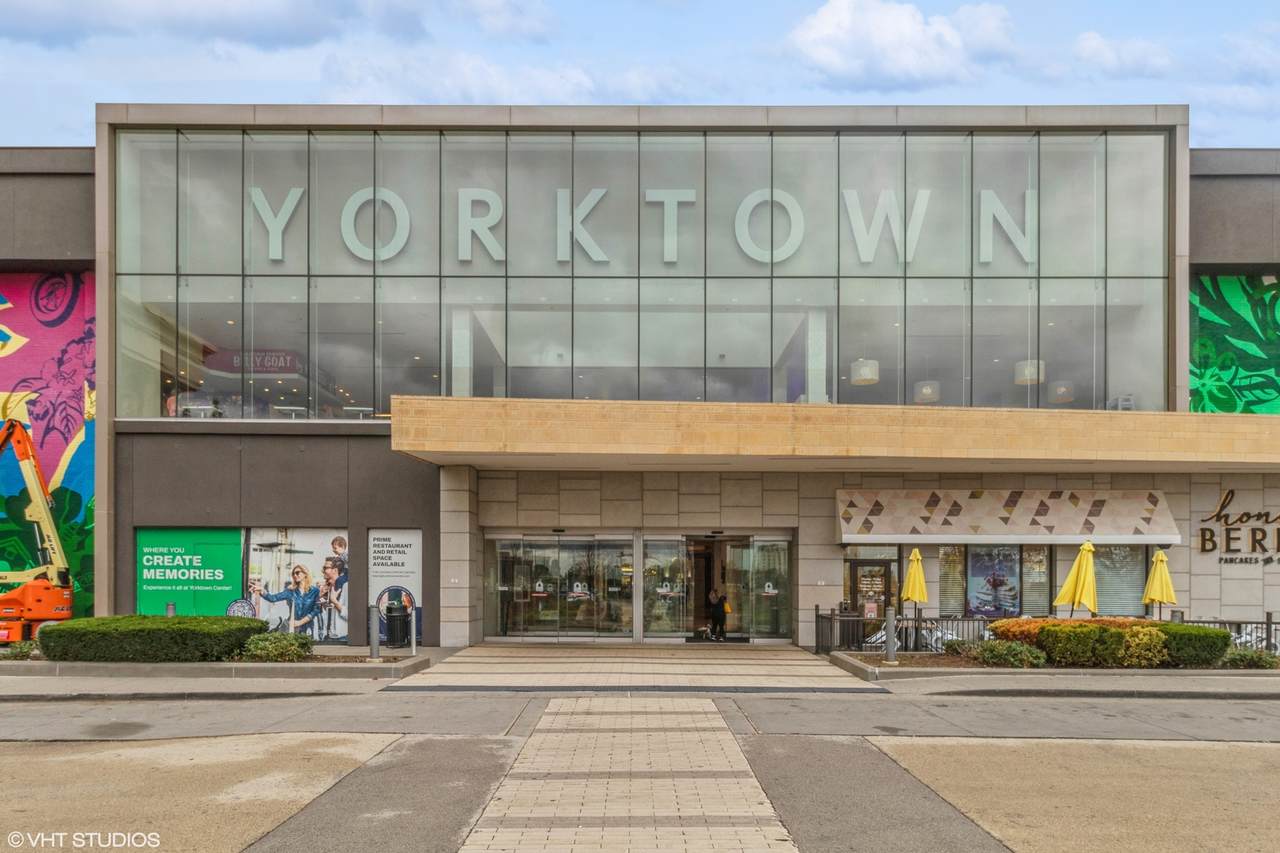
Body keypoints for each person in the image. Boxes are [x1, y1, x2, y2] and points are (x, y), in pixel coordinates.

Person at [250, 564, 320, 637]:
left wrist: (300, 622)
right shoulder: (290, 591)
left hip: (307, 628)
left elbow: (316, 610)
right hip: (292, 627)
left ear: (305, 574)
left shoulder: (315, 591)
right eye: (293, 574)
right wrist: (262, 590)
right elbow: (273, 598)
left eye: (297, 573)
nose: (295, 575)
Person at [317, 558, 348, 641]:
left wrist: (334, 601)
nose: (322, 570)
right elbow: (326, 610)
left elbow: (350, 615)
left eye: (325, 568)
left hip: (341, 638)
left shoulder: (345, 587)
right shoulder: (328, 588)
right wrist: (320, 597)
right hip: (328, 637)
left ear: (335, 570)